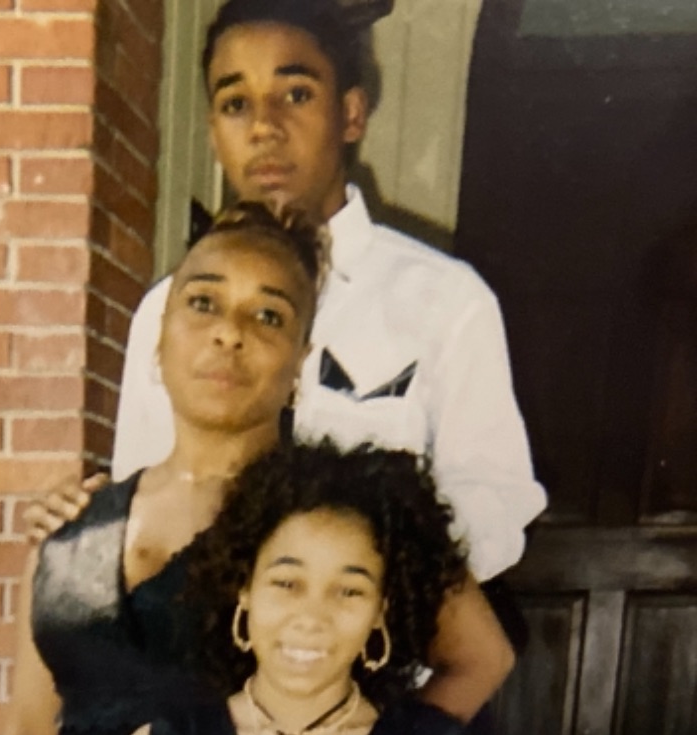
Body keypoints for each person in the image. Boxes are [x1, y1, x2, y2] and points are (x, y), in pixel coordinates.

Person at [108, 0, 547, 586]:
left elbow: (495, 499)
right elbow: (139, 491)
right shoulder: (171, 310)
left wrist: (374, 571)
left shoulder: (445, 301)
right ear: (213, 133)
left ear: (351, 114)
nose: (263, 127)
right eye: (236, 103)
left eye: (295, 95)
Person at [0, 202, 328, 735]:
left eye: (269, 316)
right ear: (160, 339)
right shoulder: (76, 526)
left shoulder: (335, 516)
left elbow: (475, 660)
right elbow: (27, 731)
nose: (229, 332)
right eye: (203, 303)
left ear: (300, 362)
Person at [124, 440, 474, 735]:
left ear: (380, 610)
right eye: (287, 584)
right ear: (245, 590)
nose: (311, 618)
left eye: (349, 591)